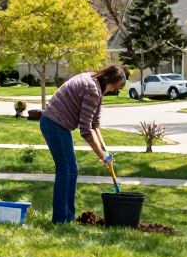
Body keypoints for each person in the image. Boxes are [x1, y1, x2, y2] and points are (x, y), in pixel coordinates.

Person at [40, 65, 127, 223]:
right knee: (66, 170)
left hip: (58, 124)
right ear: (111, 81)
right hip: (54, 123)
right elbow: (86, 130)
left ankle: (68, 216)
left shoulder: (96, 85)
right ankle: (60, 219)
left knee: (71, 170)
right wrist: (101, 155)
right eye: (116, 87)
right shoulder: (92, 89)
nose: (115, 91)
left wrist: (105, 151)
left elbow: (95, 125)